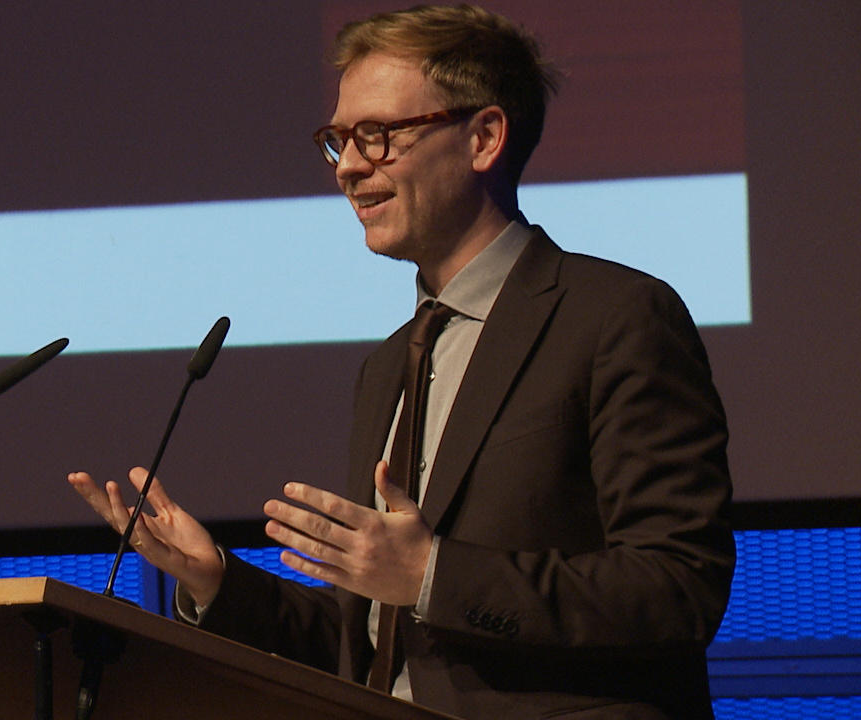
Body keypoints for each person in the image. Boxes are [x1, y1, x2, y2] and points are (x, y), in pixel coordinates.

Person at [68, 4, 735, 719]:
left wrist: (432, 574)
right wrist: (216, 583)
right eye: (338, 140)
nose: (349, 167)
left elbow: (677, 587)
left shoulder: (613, 317)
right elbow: (379, 646)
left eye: (378, 136)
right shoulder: (390, 364)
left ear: (483, 138)